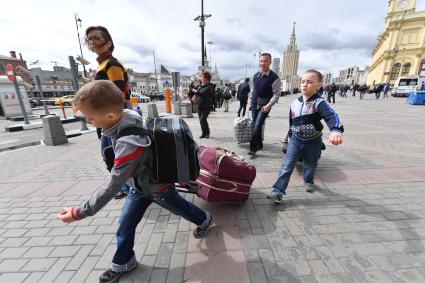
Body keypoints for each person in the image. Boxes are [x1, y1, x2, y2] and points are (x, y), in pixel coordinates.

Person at [57, 80, 214, 282]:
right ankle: (123, 262)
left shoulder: (128, 144)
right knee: (125, 224)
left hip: (157, 188)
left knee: (181, 208)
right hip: (138, 187)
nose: (89, 122)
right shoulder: (127, 116)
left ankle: (205, 219)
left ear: (110, 116)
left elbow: (113, 185)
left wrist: (80, 212)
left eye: (90, 118)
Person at [268, 70, 344, 204]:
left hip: (313, 141)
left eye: (310, 82)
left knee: (310, 163)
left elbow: (331, 115)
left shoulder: (319, 102)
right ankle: (277, 192)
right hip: (296, 140)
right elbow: (291, 122)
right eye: (303, 81)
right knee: (287, 165)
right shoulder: (294, 103)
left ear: (318, 86)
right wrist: (290, 137)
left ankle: (308, 180)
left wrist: (336, 130)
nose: (305, 85)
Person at [85, 25, 130, 200]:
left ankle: (125, 187)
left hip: (112, 120)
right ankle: (124, 186)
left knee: (111, 154)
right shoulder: (102, 65)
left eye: (96, 38)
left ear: (108, 42)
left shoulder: (112, 64)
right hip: (106, 119)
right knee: (112, 154)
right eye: (90, 39)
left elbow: (118, 94)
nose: (92, 41)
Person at [248, 53, 281, 156]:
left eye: (265, 61)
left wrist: (268, 106)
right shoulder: (255, 76)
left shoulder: (274, 77)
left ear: (270, 62)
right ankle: (259, 143)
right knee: (254, 125)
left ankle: (253, 148)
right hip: (254, 103)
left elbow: (276, 94)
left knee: (258, 125)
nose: (263, 63)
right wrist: (249, 103)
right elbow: (253, 90)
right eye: (261, 61)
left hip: (264, 105)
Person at [192, 71, 214, 138]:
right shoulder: (200, 86)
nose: (201, 78)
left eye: (203, 77)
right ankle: (203, 133)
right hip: (200, 105)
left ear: (206, 78)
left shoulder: (210, 87)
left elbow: (204, 94)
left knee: (203, 119)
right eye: (201, 77)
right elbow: (197, 93)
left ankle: (207, 133)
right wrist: (194, 92)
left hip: (206, 106)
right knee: (201, 121)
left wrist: (197, 92)